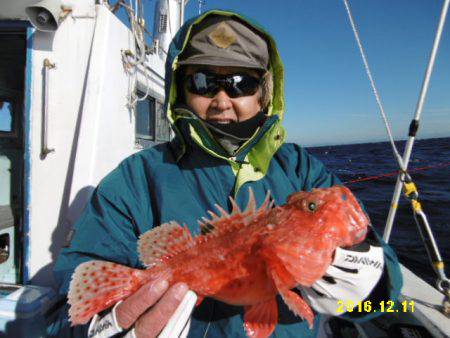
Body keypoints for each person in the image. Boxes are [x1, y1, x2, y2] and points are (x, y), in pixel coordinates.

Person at [47, 10, 402, 338]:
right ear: (180, 91)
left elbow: (381, 303)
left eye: (240, 82)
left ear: (264, 93)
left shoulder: (300, 169)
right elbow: (68, 305)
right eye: (202, 81)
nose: (221, 99)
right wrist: (106, 328)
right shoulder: (135, 180)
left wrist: (374, 288)